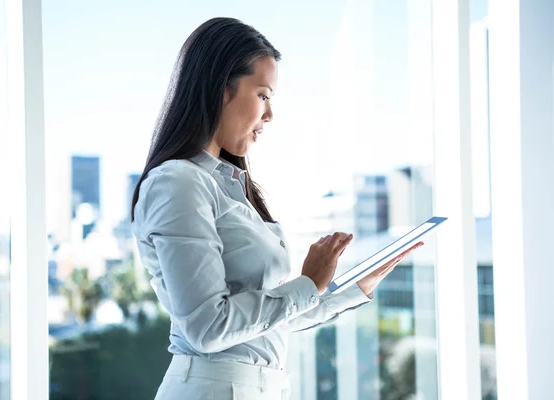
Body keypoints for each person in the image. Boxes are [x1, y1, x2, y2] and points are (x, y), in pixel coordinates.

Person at [131, 17, 424, 400]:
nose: (270, 115)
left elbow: (269, 320)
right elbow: (208, 327)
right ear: (222, 89)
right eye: (264, 95)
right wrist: (308, 284)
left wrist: (352, 289)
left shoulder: (230, 187)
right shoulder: (179, 183)